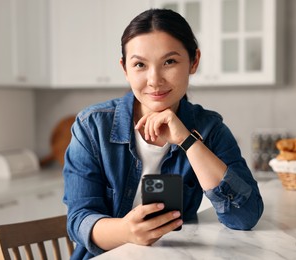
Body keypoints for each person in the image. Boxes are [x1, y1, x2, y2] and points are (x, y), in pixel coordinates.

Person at [63, 8, 264, 259]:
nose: (154, 80)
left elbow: (245, 217)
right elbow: (79, 221)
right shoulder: (91, 126)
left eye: (169, 61)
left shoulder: (210, 129)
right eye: (140, 65)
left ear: (194, 61)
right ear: (125, 69)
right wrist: (127, 231)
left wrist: (187, 140)